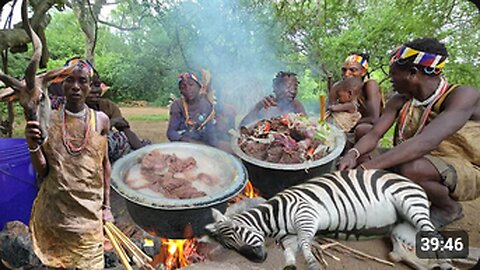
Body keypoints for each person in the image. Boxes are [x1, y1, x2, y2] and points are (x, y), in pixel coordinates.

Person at [338, 37, 480, 228]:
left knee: (411, 168)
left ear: (412, 73)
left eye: (393, 74)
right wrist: (352, 154)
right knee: (364, 154)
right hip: (418, 156)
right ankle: (393, 202)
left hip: (464, 166)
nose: (390, 80)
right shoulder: (400, 99)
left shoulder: (463, 95)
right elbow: (374, 134)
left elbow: (425, 143)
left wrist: (366, 170)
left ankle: (448, 208)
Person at [25, 59, 113, 269]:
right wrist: (32, 145)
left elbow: (105, 165)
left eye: (82, 81)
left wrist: (107, 207)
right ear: (61, 84)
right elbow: (43, 170)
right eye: (69, 80)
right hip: (56, 217)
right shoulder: (49, 120)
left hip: (89, 219)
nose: (75, 86)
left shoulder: (101, 120)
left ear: (90, 85)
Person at [86, 71, 150, 162]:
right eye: (89, 85)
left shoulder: (107, 105)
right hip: (91, 154)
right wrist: (111, 123)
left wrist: (142, 153)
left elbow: (125, 130)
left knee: (148, 148)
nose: (95, 90)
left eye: (97, 85)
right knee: (112, 139)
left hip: (109, 152)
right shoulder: (71, 111)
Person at [330, 53, 383, 141]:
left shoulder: (370, 85)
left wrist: (348, 124)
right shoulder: (338, 87)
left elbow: (373, 119)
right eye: (344, 70)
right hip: (342, 128)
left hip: (364, 131)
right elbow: (328, 111)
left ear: (363, 72)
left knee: (361, 129)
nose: (347, 74)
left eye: (353, 70)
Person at [240, 71, 306, 127]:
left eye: (295, 88)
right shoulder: (266, 105)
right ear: (276, 88)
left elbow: (307, 125)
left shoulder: (296, 105)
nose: (293, 91)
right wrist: (258, 107)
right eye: (288, 87)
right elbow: (242, 126)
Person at [167, 72, 217, 146]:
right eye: (183, 87)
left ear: (199, 86)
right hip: (182, 146)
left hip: (202, 145)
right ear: (180, 91)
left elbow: (210, 133)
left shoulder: (207, 105)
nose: (188, 89)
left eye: (191, 85)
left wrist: (214, 146)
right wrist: (187, 141)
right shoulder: (177, 105)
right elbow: (171, 133)